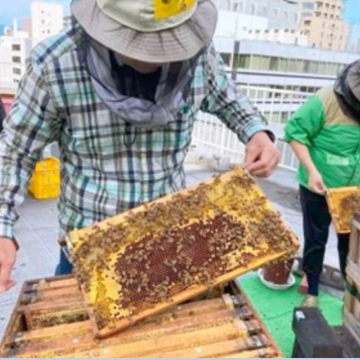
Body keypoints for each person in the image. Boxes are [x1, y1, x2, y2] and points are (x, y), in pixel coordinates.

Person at [0, 0, 280, 293]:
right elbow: (16, 150)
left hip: (170, 239)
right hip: (90, 246)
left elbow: (228, 96)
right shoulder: (55, 62)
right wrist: (3, 226)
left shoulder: (201, 56)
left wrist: (256, 131)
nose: (153, 55)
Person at [285, 60, 360, 307]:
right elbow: (295, 133)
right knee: (316, 239)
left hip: (352, 192)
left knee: (350, 247)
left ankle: (350, 299)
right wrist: (312, 171)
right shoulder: (323, 100)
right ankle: (313, 293)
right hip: (317, 186)